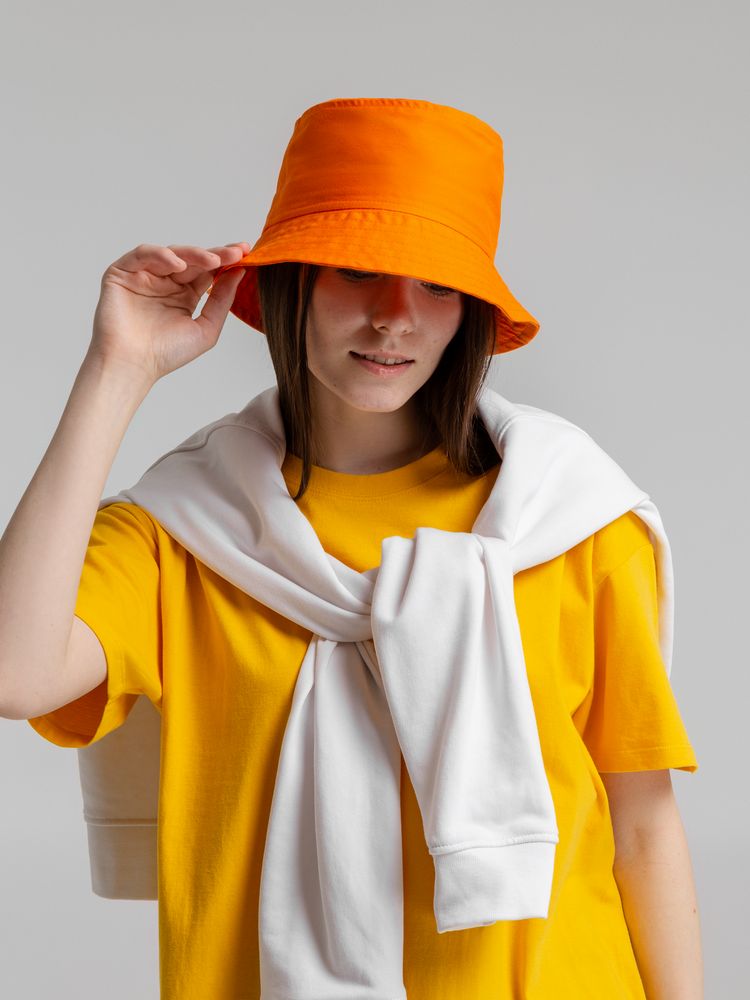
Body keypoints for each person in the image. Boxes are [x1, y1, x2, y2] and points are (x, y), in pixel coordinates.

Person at [0, 97, 703, 999]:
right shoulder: (185, 531)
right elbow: (17, 674)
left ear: (470, 313)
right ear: (292, 282)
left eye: (438, 286)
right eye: (359, 272)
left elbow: (642, 825)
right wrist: (117, 368)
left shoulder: (573, 518)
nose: (396, 318)